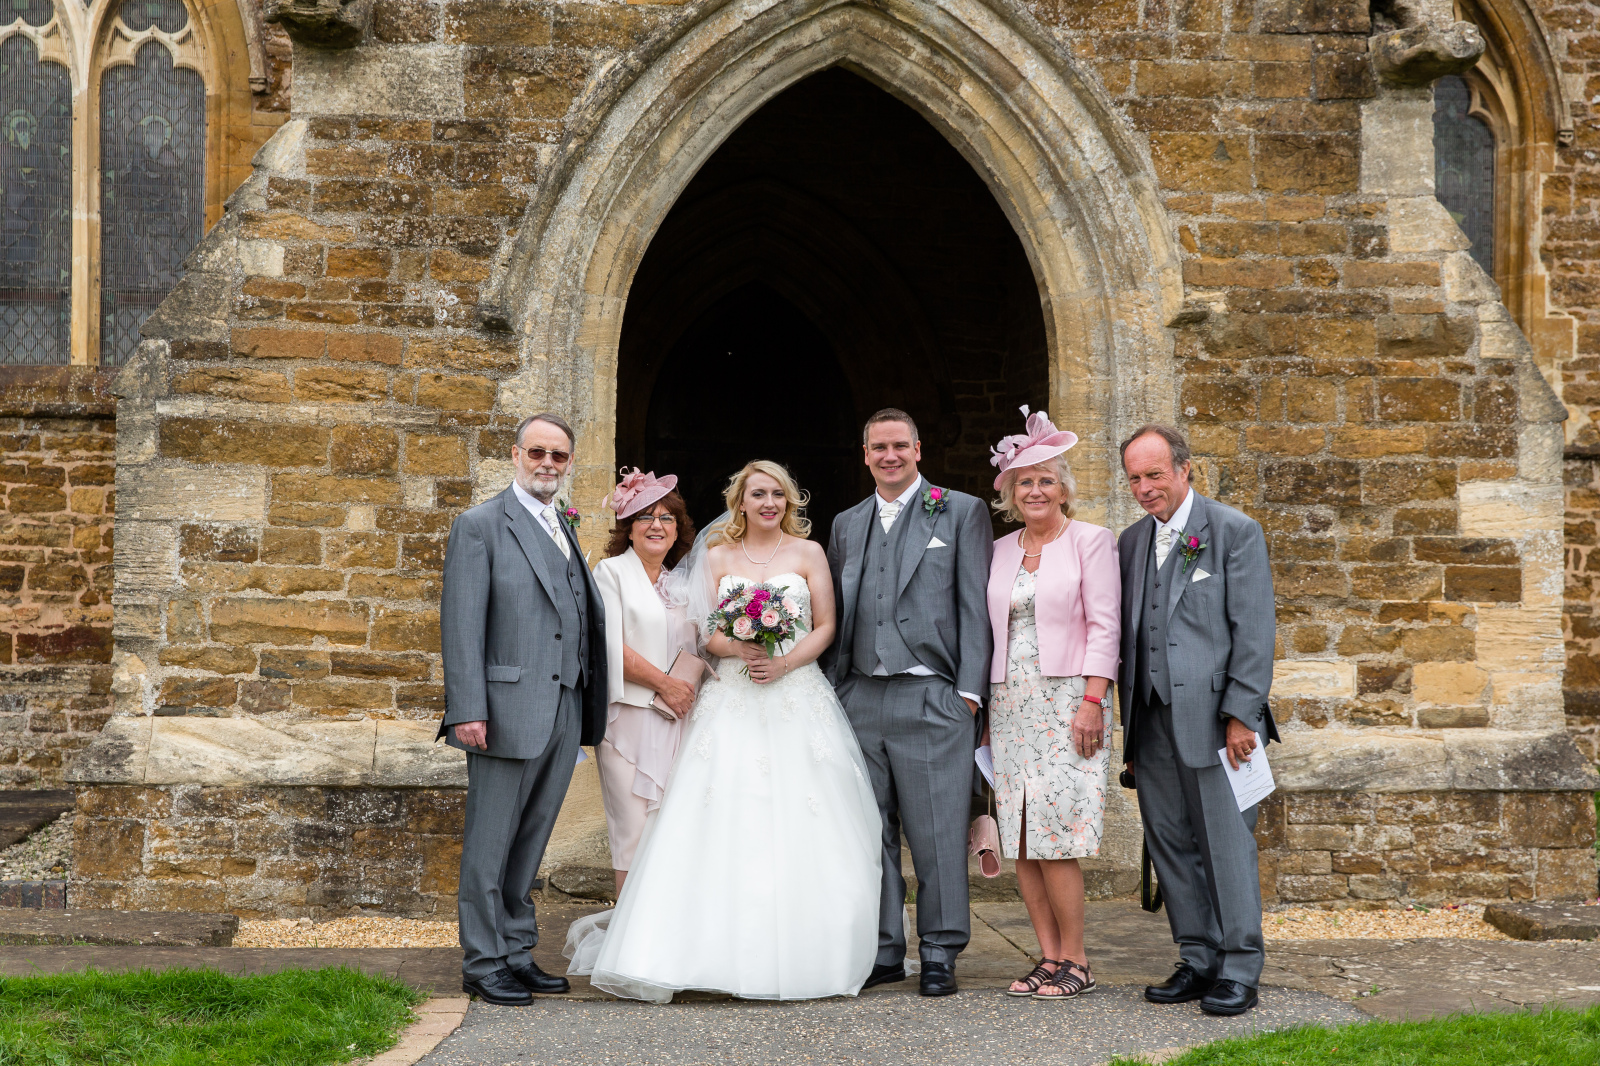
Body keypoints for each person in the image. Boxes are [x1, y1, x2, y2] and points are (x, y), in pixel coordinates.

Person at [577, 460, 882, 1003]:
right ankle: (704, 953)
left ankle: (807, 952)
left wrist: (785, 663)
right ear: (740, 501)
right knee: (719, 814)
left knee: (806, 816)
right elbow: (705, 634)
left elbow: (827, 625)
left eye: (778, 494)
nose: (769, 503)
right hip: (734, 695)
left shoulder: (809, 553)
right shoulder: (717, 556)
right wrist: (739, 646)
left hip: (795, 693)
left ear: (789, 501)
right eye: (758, 494)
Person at [822, 409, 994, 997]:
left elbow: (975, 604)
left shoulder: (961, 511)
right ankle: (883, 949)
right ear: (865, 454)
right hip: (860, 695)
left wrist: (967, 694)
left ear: (918, 449)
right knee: (868, 832)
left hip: (933, 696)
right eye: (879, 447)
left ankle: (941, 949)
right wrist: (835, 689)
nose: (889, 456)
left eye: (900, 445)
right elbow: (838, 611)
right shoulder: (847, 523)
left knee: (938, 833)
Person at [439, 411, 609, 1006]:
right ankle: (483, 963)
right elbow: (461, 624)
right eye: (537, 452)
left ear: (569, 462)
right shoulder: (480, 525)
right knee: (490, 844)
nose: (547, 464)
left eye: (558, 455)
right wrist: (468, 708)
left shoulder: (563, 523)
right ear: (516, 455)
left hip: (564, 704)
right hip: (503, 709)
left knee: (532, 838)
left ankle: (515, 951)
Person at [1117, 423, 1277, 1017]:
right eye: (1135, 478)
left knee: (1226, 845)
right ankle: (1198, 957)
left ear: (1185, 469)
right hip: (1149, 718)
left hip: (1216, 722)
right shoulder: (1130, 542)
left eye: (1155, 474)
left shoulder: (1234, 531)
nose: (1145, 487)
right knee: (1169, 843)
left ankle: (1239, 967)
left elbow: (1254, 632)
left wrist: (1240, 716)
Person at [983, 408, 1119, 1000]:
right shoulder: (998, 549)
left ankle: (1077, 961)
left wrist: (1093, 700)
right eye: (1024, 482)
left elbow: (1106, 626)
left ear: (1063, 489)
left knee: (1057, 833)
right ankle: (1047, 956)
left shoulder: (1092, 541)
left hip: (1068, 702)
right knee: (1019, 834)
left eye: (1045, 480)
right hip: (1009, 703)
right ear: (1010, 494)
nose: (1035, 490)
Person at [592, 469, 698, 895]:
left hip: (678, 720)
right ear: (629, 528)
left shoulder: (681, 583)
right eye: (645, 516)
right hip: (628, 720)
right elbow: (608, 647)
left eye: (666, 517)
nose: (657, 525)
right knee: (632, 830)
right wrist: (665, 684)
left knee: (672, 828)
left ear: (678, 529)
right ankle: (626, 930)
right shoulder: (610, 572)